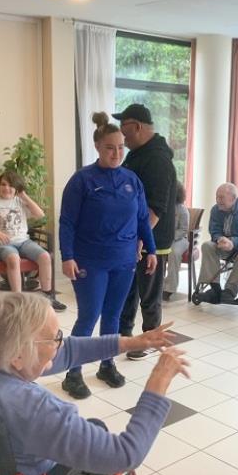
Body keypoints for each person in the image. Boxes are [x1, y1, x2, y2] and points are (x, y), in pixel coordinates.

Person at [0, 293, 189, 475]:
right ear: (18, 355)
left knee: (91, 429)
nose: (60, 343)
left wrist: (131, 343)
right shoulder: (35, 409)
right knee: (98, 433)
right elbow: (125, 455)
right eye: (55, 338)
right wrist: (158, 382)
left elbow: (66, 351)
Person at [58, 112, 157, 399]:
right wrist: (67, 256)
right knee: (89, 315)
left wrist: (151, 249)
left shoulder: (132, 180)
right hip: (90, 260)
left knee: (113, 315)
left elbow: (142, 219)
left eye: (121, 147)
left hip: (124, 260)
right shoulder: (82, 180)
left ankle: (107, 364)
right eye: (110, 148)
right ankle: (72, 373)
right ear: (98, 148)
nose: (116, 153)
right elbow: (67, 222)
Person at [113, 104, 177, 361]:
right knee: (128, 291)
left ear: (137, 126)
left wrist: (142, 239)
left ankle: (151, 339)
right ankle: (125, 336)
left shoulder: (158, 159)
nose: (122, 134)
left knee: (149, 295)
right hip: (132, 238)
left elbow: (156, 208)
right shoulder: (136, 155)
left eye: (124, 127)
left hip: (152, 240)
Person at [0, 171, 66, 311]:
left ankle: (48, 297)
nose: (6, 188)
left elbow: (40, 215)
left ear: (17, 188)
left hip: (24, 242)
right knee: (13, 258)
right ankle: (19, 301)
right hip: (3, 244)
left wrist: (24, 196)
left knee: (45, 256)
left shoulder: (20, 201)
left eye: (11, 185)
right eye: (3, 184)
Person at [196, 183, 238, 305]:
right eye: (217, 197)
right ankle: (215, 289)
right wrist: (219, 239)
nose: (218, 200)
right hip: (226, 243)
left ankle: (230, 291)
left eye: (221, 197)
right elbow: (214, 230)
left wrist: (234, 242)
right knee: (207, 246)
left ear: (233, 198)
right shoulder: (216, 210)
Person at [163, 182, 189, 302]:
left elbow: (183, 230)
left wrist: (169, 237)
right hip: (164, 238)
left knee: (173, 252)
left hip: (180, 239)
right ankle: (156, 285)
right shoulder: (162, 207)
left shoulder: (182, 210)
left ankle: (169, 288)